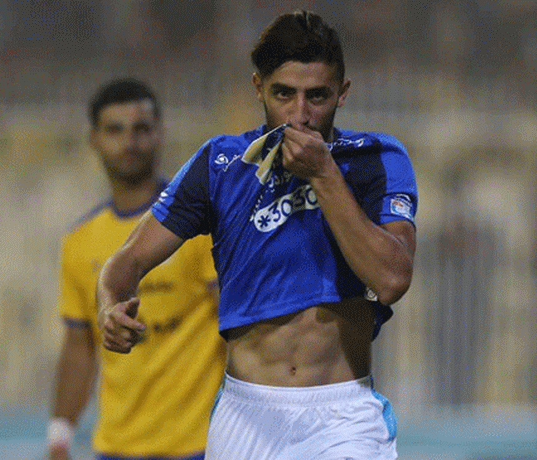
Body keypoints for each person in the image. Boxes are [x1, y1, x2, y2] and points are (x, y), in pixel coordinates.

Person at [97, 11, 418, 460]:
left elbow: (392, 279)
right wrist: (109, 306)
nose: (300, 115)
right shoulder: (221, 164)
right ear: (258, 87)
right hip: (245, 417)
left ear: (342, 92)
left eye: (317, 96)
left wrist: (325, 174)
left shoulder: (375, 159)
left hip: (342, 417)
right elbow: (126, 261)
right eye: (284, 94)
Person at [48, 78, 225, 460]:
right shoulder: (79, 241)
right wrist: (59, 436)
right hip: (115, 447)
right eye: (115, 130)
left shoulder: (199, 225)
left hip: (199, 444)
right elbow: (80, 344)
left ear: (159, 134)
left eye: (141, 129)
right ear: (94, 138)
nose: (129, 142)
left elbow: (235, 324)